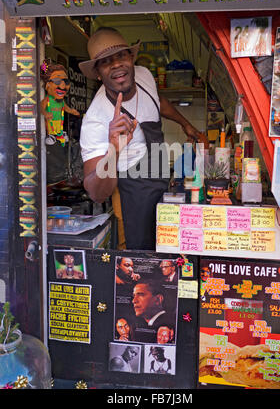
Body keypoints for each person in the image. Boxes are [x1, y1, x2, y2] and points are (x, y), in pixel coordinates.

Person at [79, 27, 208, 250]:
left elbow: (160, 103)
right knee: (143, 256)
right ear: (98, 73)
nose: (117, 64)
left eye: (121, 55)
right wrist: (114, 148)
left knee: (171, 246)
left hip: (160, 179)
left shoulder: (144, 76)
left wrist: (186, 125)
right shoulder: (96, 120)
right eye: (107, 61)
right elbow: (96, 193)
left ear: (132, 57)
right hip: (134, 193)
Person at [40, 60, 80, 146]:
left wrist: (72, 111)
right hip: (50, 122)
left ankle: (60, 135)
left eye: (66, 82)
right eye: (57, 81)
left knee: (59, 129)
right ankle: (51, 136)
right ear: (47, 85)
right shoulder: (47, 99)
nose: (63, 86)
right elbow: (40, 107)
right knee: (51, 129)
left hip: (59, 121)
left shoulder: (61, 101)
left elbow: (66, 108)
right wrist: (45, 113)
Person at [132, 278, 175, 343]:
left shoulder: (170, 325)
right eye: (134, 296)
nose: (134, 301)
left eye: (140, 295)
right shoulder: (142, 325)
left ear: (158, 299)